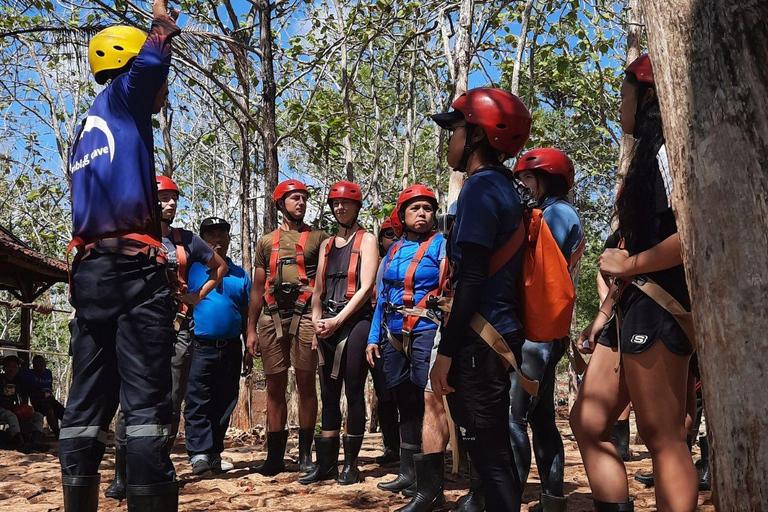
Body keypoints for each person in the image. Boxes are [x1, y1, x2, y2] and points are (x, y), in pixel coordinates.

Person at [60, 2, 184, 509]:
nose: (164, 89)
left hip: (92, 276)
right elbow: (151, 65)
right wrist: (162, 25)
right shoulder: (121, 97)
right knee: (147, 404)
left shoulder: (84, 133)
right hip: (133, 273)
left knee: (86, 406)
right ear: (128, 67)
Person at [569, 53, 698, 512]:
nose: (617, 103)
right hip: (629, 308)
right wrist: (601, 317)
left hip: (662, 304)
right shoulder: (645, 157)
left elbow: (693, 236)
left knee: (663, 435)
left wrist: (630, 264)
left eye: (623, 91)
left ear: (646, 96)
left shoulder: (669, 154)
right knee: (587, 421)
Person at [429, 87, 533, 512]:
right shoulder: (507, 187)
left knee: (488, 457)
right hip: (497, 335)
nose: (447, 139)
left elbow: (471, 279)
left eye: (453, 129)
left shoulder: (479, 189)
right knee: (493, 453)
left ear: (476, 136)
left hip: (478, 339)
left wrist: (447, 353)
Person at [106, 176, 227, 499]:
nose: (170, 204)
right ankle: (122, 474)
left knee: (171, 399)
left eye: (174, 198)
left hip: (178, 329)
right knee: (131, 399)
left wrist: (197, 296)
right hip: (136, 331)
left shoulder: (186, 239)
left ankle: (159, 464)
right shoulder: (130, 238)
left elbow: (220, 267)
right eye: (163, 198)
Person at [508, 148, 585, 512]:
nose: (522, 185)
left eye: (526, 178)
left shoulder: (554, 213)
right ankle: (552, 498)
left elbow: (535, 269)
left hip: (536, 334)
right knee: (540, 419)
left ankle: (508, 499)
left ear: (545, 178)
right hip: (550, 331)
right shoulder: (562, 211)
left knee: (514, 416)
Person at [366, 185, 446, 500]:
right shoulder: (393, 251)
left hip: (426, 328)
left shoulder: (442, 246)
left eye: (427, 208)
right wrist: (374, 338)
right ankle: (407, 472)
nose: (422, 214)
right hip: (392, 332)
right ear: (402, 215)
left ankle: (427, 482)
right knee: (404, 402)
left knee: (427, 401)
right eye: (415, 209)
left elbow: (447, 289)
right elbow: (382, 300)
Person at [246, 179, 329, 476]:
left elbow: (323, 282)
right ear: (280, 203)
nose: (301, 203)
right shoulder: (266, 242)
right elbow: (257, 287)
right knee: (274, 386)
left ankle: (306, 454)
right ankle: (275, 456)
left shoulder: (319, 238)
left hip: (306, 315)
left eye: (304, 198)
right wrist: (251, 329)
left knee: (307, 384)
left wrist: (320, 322)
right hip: (270, 316)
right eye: (294, 198)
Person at [300, 181, 378, 485]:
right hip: (326, 321)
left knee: (353, 389)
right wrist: (316, 321)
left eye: (346, 204)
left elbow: (367, 286)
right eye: (335, 204)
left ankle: (352, 464)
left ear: (357, 207)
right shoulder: (327, 244)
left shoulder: (367, 239)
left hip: (355, 320)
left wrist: (339, 319)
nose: (340, 208)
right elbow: (318, 288)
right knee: (328, 393)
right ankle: (327, 463)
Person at [183, 217, 251, 476]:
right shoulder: (192, 270)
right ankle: (198, 453)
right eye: (211, 235)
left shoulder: (240, 274)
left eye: (222, 234)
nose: (217, 240)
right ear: (202, 240)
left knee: (225, 400)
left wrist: (248, 346)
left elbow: (245, 313)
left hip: (231, 346)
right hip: (199, 345)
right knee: (198, 399)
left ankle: (214, 452)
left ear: (229, 239)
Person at [372, 215, 401, 465]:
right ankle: (392, 446)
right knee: (385, 394)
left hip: (411, 334)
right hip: (382, 336)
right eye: (388, 234)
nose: (394, 238)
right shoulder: (378, 264)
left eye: (397, 233)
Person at [1, 356, 46, 449]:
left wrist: (24, 409)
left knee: (38, 416)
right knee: (11, 416)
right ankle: (19, 442)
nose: (12, 369)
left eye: (14, 367)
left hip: (14, 408)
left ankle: (36, 441)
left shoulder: (19, 381)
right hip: (2, 409)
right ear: (3, 368)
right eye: (9, 366)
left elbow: (24, 396)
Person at [24, 355, 65, 438]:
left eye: (43, 362)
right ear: (34, 365)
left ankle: (67, 429)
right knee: (49, 410)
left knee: (61, 410)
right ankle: (57, 432)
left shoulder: (48, 373)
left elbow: (49, 388)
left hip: (49, 398)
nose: (41, 365)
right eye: (38, 363)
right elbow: (29, 391)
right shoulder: (30, 374)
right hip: (38, 400)